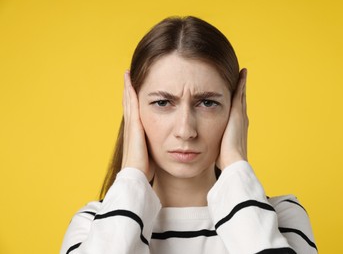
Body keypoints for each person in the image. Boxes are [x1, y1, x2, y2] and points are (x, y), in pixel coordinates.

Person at [60, 16, 317, 254]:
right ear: (133, 108)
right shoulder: (91, 226)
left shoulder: (282, 218)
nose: (185, 130)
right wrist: (132, 177)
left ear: (235, 109)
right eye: (162, 103)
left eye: (207, 103)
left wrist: (235, 165)